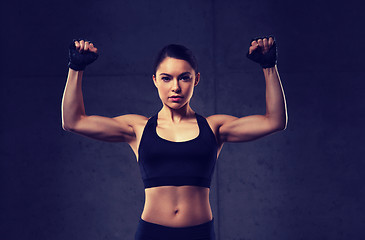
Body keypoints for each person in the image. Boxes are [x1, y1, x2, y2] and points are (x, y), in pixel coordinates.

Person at [61, 36, 287, 240]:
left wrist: (269, 67)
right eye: (166, 78)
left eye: (184, 78)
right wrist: (76, 68)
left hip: (199, 233)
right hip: (152, 233)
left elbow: (274, 121)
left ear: (196, 79)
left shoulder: (214, 127)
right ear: (155, 80)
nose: (176, 87)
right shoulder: (138, 128)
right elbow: (74, 121)